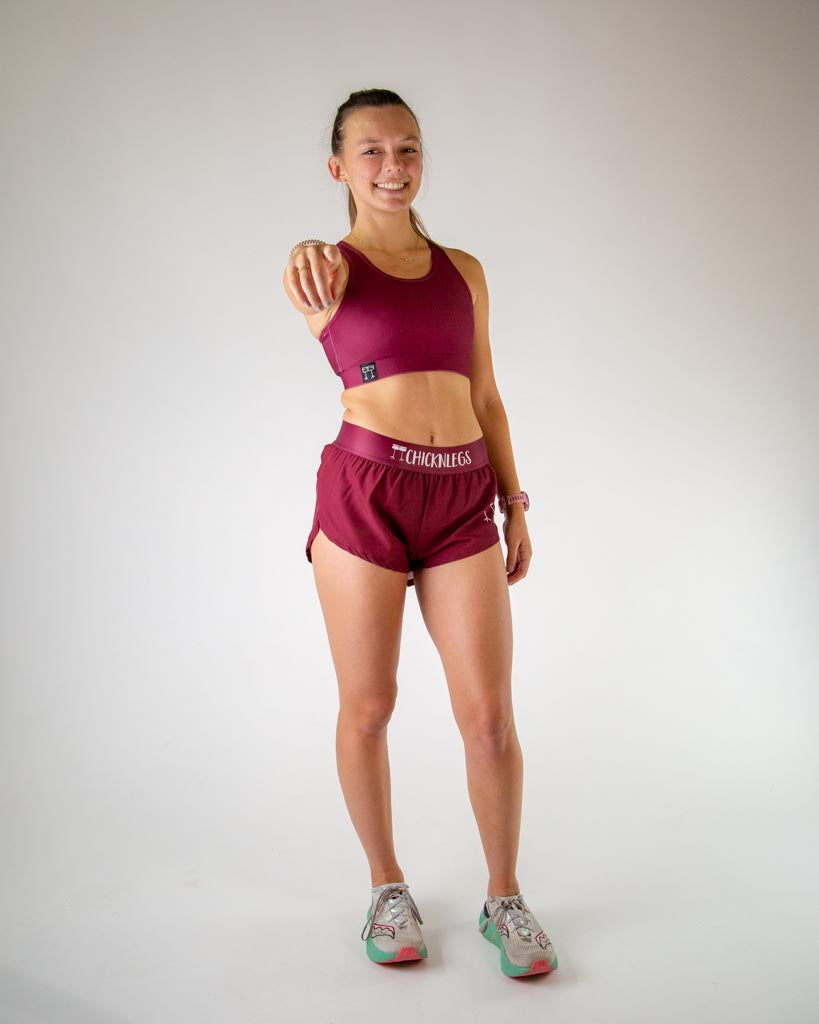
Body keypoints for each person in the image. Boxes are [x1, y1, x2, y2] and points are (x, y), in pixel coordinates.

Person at [282, 88, 558, 979]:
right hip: (365, 495)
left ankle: (505, 898)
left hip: (462, 499)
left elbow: (484, 396)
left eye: (407, 148)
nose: (392, 166)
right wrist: (300, 250)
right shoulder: (324, 268)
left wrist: (515, 504)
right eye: (370, 152)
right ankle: (385, 885)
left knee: (488, 718)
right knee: (369, 708)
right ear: (338, 168)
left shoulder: (464, 270)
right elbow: (299, 267)